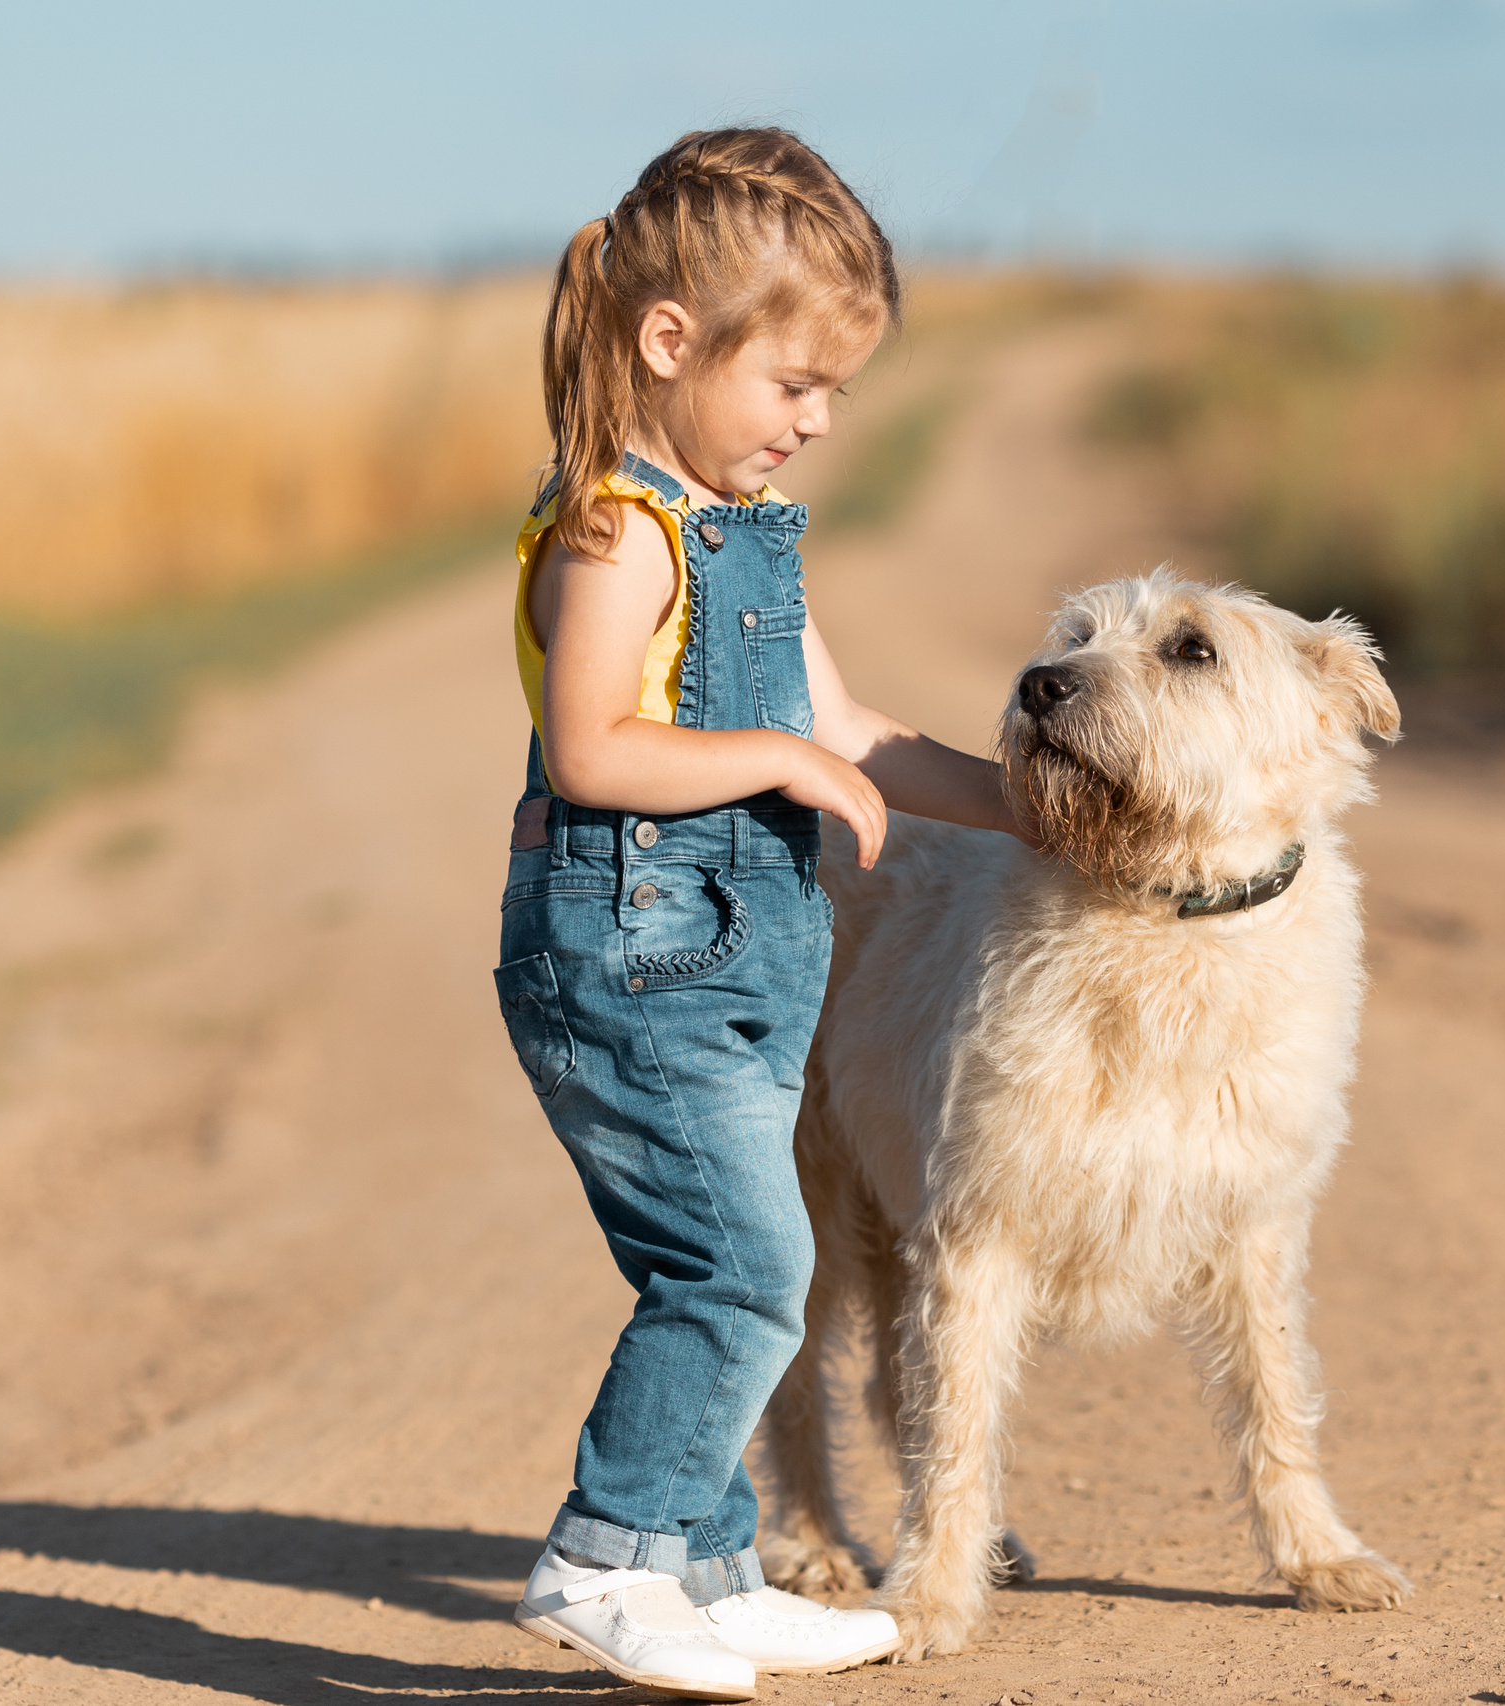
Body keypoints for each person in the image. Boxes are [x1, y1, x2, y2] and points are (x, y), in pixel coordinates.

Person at [491, 128, 1023, 1700]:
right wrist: (777, 753)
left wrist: (1028, 801)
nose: (816, 419)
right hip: (627, 960)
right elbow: (593, 747)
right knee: (740, 1268)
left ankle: (708, 1575)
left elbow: (853, 732)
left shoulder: (735, 538)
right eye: (792, 381)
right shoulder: (616, 532)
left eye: (835, 391)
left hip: (720, 967)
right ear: (671, 342)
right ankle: (607, 1553)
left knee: (744, 1265)